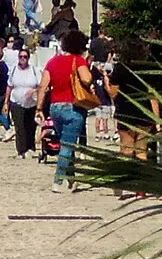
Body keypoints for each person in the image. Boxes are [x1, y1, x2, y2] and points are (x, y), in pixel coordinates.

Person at [43, 21, 95, 188]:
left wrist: (38, 108)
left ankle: (72, 178)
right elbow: (87, 79)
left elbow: (43, 86)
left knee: (66, 140)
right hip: (73, 106)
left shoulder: (52, 62)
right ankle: (57, 181)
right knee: (68, 144)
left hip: (55, 106)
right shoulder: (78, 61)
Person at [6, 40, 42, 157]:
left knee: (30, 126)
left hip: (31, 103)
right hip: (16, 102)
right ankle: (21, 150)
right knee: (19, 127)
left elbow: (41, 87)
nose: (23, 59)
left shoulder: (34, 71)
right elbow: (9, 86)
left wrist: (33, 91)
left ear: (28, 58)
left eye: (25, 57)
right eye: (21, 57)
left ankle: (30, 147)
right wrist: (6, 102)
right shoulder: (13, 70)